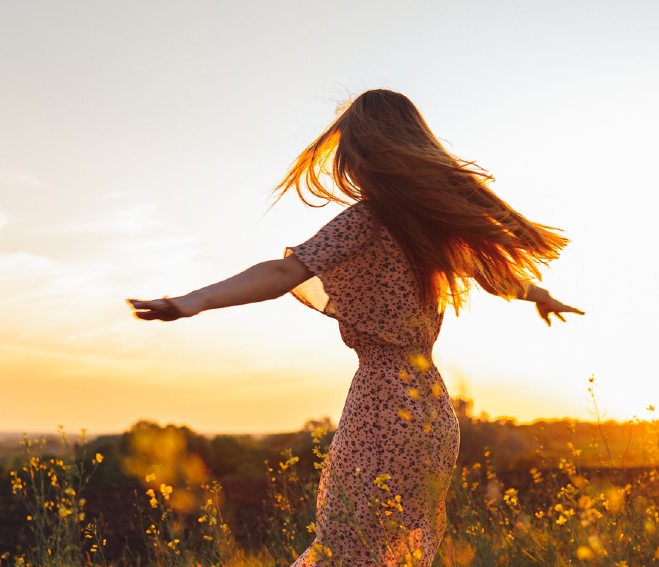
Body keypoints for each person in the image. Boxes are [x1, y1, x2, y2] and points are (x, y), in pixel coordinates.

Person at [127, 89, 582, 566]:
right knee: (394, 548)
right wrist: (542, 297)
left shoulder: (367, 220)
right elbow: (497, 278)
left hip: (383, 399)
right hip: (430, 408)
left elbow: (285, 274)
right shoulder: (430, 229)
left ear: (364, 155)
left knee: (348, 547)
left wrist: (193, 301)